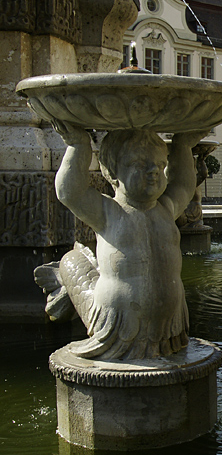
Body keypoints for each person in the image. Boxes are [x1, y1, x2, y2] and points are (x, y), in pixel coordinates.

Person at [36, 125, 207, 360]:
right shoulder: (108, 211)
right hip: (115, 325)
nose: (153, 171)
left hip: (168, 329)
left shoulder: (166, 209)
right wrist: (78, 145)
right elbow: (70, 192)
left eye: (160, 165)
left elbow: (185, 185)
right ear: (113, 171)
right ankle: (64, 275)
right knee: (71, 260)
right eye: (139, 164)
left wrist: (183, 146)